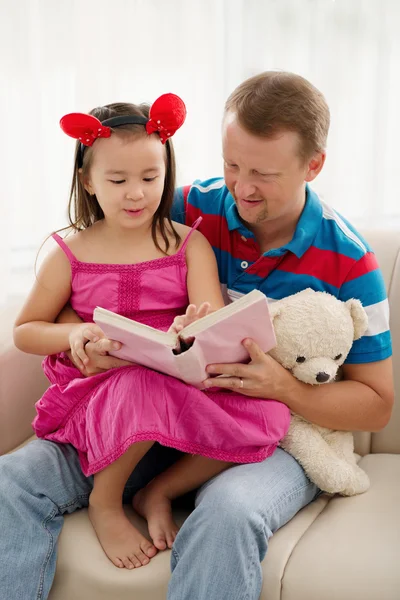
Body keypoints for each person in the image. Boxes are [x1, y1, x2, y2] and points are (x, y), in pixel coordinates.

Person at [0, 72, 394, 600]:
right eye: (232, 165)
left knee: (228, 515)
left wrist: (282, 387)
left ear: (313, 165)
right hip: (143, 405)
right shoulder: (185, 208)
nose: (241, 187)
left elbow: (376, 407)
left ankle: (160, 489)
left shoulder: (351, 262)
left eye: (263, 173)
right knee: (13, 481)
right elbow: (99, 275)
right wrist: (87, 340)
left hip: (268, 433)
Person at [11, 94, 290, 573]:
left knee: (270, 416)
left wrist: (191, 326)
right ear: (88, 181)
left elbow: (212, 323)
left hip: (174, 387)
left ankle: (157, 490)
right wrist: (75, 335)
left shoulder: (187, 243)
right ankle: (106, 499)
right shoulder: (70, 252)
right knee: (135, 385)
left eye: (150, 178)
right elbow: (24, 330)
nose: (136, 193)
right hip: (102, 392)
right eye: (117, 180)